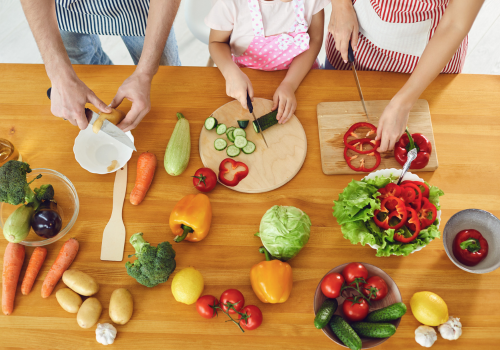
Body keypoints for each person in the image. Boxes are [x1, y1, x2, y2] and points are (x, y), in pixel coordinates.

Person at [326, 0, 485, 152]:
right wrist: (341, 4)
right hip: (357, 34)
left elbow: (455, 24)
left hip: (429, 59)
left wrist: (404, 102)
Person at [20, 0, 181, 132]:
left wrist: (145, 73)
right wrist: (58, 75)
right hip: (63, 9)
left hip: (141, 6)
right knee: (88, 75)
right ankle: (110, 106)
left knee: (167, 78)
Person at [206, 0, 329, 124]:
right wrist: (231, 73)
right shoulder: (230, 4)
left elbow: (315, 38)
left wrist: (290, 84)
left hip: (300, 74)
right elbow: (216, 42)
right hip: (245, 76)